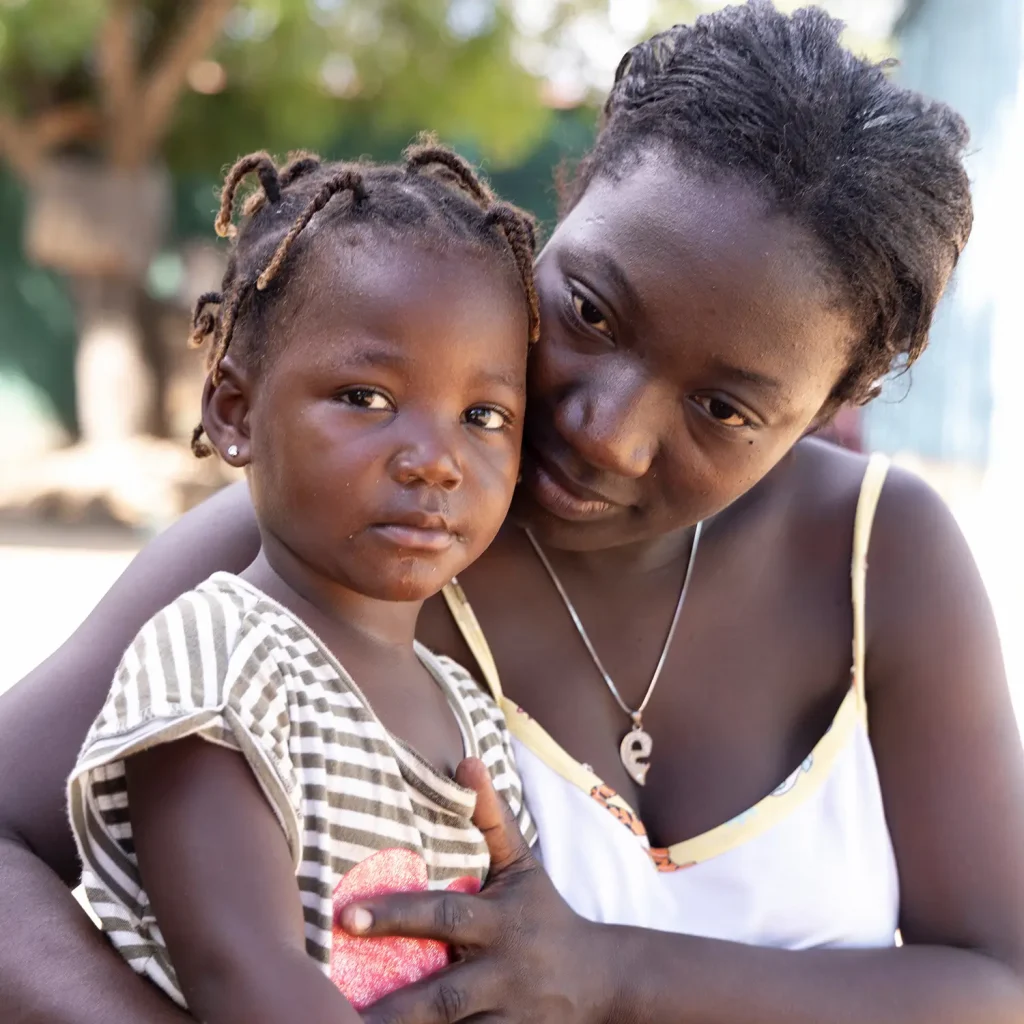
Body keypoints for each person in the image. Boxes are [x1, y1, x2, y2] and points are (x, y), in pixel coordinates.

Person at [3, 4, 1023, 1023]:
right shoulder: (341, 554)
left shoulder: (879, 560)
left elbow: (996, 981)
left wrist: (614, 973)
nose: (606, 432)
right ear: (569, 197)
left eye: (724, 409)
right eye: (589, 310)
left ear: (828, 407)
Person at [65, 141, 539, 1023]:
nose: (436, 461)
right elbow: (247, 978)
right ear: (234, 413)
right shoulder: (219, 658)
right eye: (366, 397)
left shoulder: (466, 706)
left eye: (483, 416)